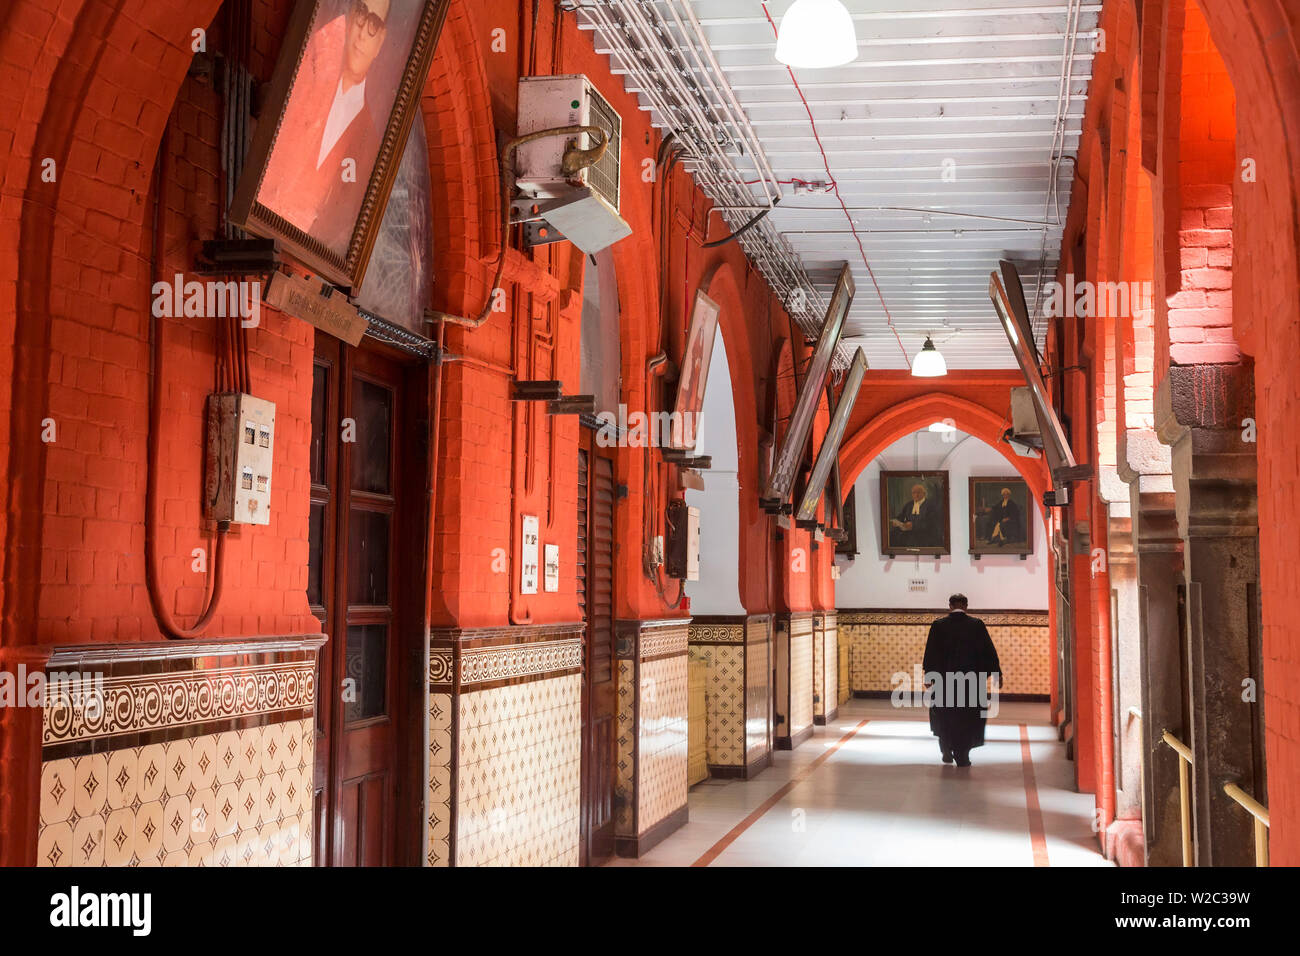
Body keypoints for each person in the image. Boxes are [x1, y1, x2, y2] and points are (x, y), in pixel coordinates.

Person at [259, 0, 392, 255]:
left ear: (381, 42)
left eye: (374, 23)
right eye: (362, 13)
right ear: (351, 14)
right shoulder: (309, 68)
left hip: (296, 262)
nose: (363, 31)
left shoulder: (371, 144)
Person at [922, 594, 1002, 767]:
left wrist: (929, 674)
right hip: (971, 683)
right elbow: (989, 651)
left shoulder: (938, 626)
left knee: (944, 714)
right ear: (966, 605)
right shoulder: (976, 625)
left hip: (944, 682)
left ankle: (945, 746)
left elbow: (931, 652)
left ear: (950, 606)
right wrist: (996, 673)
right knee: (968, 717)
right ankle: (962, 754)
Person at [890, 482, 940, 548]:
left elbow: (930, 523)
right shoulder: (909, 505)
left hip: (924, 535)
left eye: (918, 492)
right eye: (914, 493)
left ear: (924, 494)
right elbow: (901, 516)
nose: (916, 495)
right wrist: (896, 521)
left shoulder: (930, 505)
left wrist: (913, 525)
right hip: (908, 533)